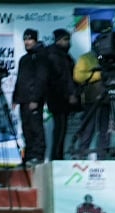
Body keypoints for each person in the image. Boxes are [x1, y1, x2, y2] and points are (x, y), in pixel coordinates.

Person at [12, 29, 49, 165]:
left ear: (35, 40)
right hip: (23, 100)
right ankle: (28, 156)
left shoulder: (41, 56)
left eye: (30, 39)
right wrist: (15, 98)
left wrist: (35, 99)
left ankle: (38, 156)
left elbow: (41, 79)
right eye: (25, 39)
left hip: (34, 100)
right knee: (26, 129)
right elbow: (20, 79)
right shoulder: (24, 59)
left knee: (36, 128)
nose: (27, 42)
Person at [44, 28, 77, 162]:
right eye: (66, 40)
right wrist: (71, 94)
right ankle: (57, 157)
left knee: (60, 129)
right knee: (60, 129)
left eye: (69, 39)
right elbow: (65, 77)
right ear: (58, 40)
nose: (68, 42)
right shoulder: (57, 56)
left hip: (58, 96)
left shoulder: (60, 55)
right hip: (60, 97)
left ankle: (57, 155)